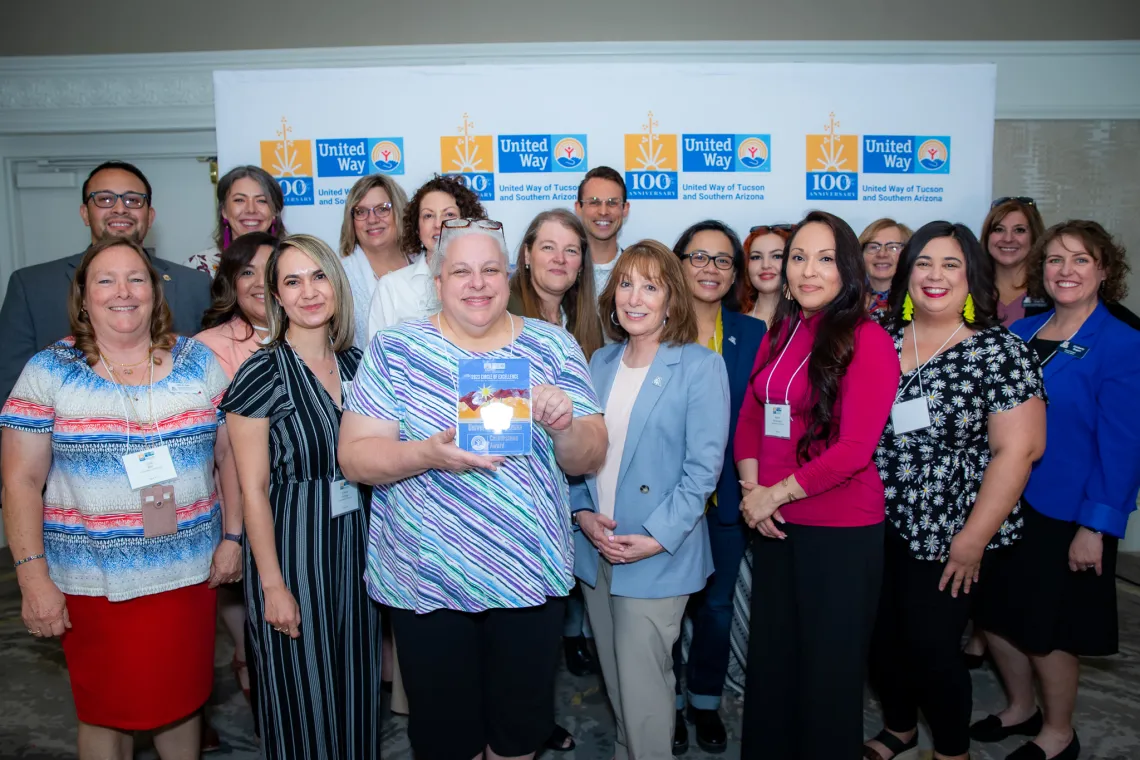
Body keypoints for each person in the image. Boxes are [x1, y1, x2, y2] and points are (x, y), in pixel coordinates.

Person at [339, 218, 607, 760]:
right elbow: (356, 457)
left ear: (508, 277)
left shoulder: (552, 346)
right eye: (461, 270)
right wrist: (426, 454)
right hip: (427, 579)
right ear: (437, 283)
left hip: (527, 575)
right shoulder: (397, 350)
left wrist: (565, 425)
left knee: (517, 735)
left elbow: (590, 454)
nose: (477, 283)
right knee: (446, 740)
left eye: (490, 269)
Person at [0, 236, 237, 759]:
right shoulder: (50, 370)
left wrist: (234, 537)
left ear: (155, 291)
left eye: (136, 278)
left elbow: (230, 457)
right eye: (105, 280)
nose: (123, 291)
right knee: (103, 712)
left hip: (187, 574)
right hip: (94, 584)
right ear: (83, 297)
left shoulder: (198, 361)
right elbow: (18, 480)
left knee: (182, 702)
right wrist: (32, 576)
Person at [863, 222, 1046, 760]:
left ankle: (950, 751)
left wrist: (972, 539)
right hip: (874, 521)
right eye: (923, 263)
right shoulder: (879, 338)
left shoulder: (999, 352)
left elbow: (1019, 452)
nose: (934, 276)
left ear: (972, 277)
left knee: (932, 649)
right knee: (879, 640)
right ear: (906, 273)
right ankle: (899, 728)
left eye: (950, 265)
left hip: (951, 531)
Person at [734, 210, 900, 760]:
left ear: (847, 269)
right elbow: (753, 417)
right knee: (774, 664)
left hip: (839, 531)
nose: (807, 271)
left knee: (828, 673)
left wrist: (773, 496)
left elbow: (855, 450)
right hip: (776, 526)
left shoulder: (868, 339)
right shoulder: (782, 330)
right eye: (797, 257)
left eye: (825, 259)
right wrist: (751, 492)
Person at [972, 221, 1140, 760]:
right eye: (1055, 261)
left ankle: (1059, 732)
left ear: (1104, 271)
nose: (1065, 271)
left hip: (1068, 513)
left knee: (1049, 629)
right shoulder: (1020, 333)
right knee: (997, 616)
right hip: (1003, 503)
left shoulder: (1121, 343)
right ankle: (1022, 707)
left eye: (1080, 260)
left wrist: (1096, 526)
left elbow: (1123, 447)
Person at [221, 234, 381, 760]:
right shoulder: (261, 372)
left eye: (317, 276)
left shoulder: (360, 365)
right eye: (292, 280)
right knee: (301, 699)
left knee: (357, 689)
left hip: (357, 548)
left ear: (336, 284)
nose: (308, 291)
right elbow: (252, 489)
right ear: (276, 295)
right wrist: (271, 586)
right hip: (293, 551)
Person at [571, 238, 728, 760]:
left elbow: (701, 472)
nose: (635, 298)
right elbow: (575, 454)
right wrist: (583, 514)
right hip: (598, 548)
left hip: (657, 552)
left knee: (644, 692)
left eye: (651, 286)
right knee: (619, 686)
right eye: (626, 284)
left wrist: (654, 538)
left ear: (671, 300)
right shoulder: (598, 362)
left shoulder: (699, 367)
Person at [0, 160, 213, 406]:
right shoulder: (32, 286)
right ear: (84, 213)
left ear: (150, 215)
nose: (120, 208)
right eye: (105, 199)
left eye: (133, 200)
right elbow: (12, 397)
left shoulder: (194, 284)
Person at [670, 221, 766, 754]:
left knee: (716, 607)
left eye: (722, 260)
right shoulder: (652, 332)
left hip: (728, 499)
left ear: (734, 274)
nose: (709, 269)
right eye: (698, 257)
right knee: (666, 611)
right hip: (665, 501)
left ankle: (704, 702)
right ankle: (666, 706)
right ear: (679, 264)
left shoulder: (752, 335)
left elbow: (761, 419)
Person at [508, 207, 604, 673]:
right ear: (526, 255)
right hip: (512, 495)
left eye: (571, 250)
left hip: (566, 483)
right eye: (548, 247)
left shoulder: (581, 323)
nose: (560, 259)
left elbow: (587, 423)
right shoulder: (498, 317)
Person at [194, 230, 277, 706]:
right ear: (231, 281)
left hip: (303, 503)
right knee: (257, 609)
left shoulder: (318, 333)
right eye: (247, 271)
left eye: (271, 270)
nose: (260, 282)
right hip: (239, 503)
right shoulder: (207, 346)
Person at [366, 174, 486, 337]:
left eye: (449, 215)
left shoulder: (485, 283)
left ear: (468, 224)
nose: (438, 224)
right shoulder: (391, 287)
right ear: (417, 228)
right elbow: (376, 356)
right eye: (428, 215)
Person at [339, 174, 410, 350]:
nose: (372, 219)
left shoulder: (425, 264)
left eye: (382, 209)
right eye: (361, 212)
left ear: (399, 212)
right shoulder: (340, 275)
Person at [184, 165, 286, 276]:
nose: (251, 209)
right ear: (224, 211)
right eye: (239, 200)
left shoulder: (293, 261)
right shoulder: (201, 267)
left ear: (275, 212)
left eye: (261, 201)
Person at [982, 197, 1047, 326]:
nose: (1008, 239)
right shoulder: (969, 290)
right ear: (987, 237)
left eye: (1019, 230)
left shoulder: (1051, 291)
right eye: (998, 229)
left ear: (1034, 237)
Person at [575, 166, 630, 296]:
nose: (603, 212)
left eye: (612, 203)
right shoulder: (562, 270)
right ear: (578, 208)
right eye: (594, 202)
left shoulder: (639, 270)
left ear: (625, 209)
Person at [859, 218, 913, 319]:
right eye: (873, 247)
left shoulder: (921, 301)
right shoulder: (846, 302)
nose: (882, 254)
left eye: (893, 247)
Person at [739, 224, 792, 327]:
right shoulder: (731, 325)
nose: (765, 265)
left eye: (777, 256)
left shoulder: (807, 322)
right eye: (756, 257)